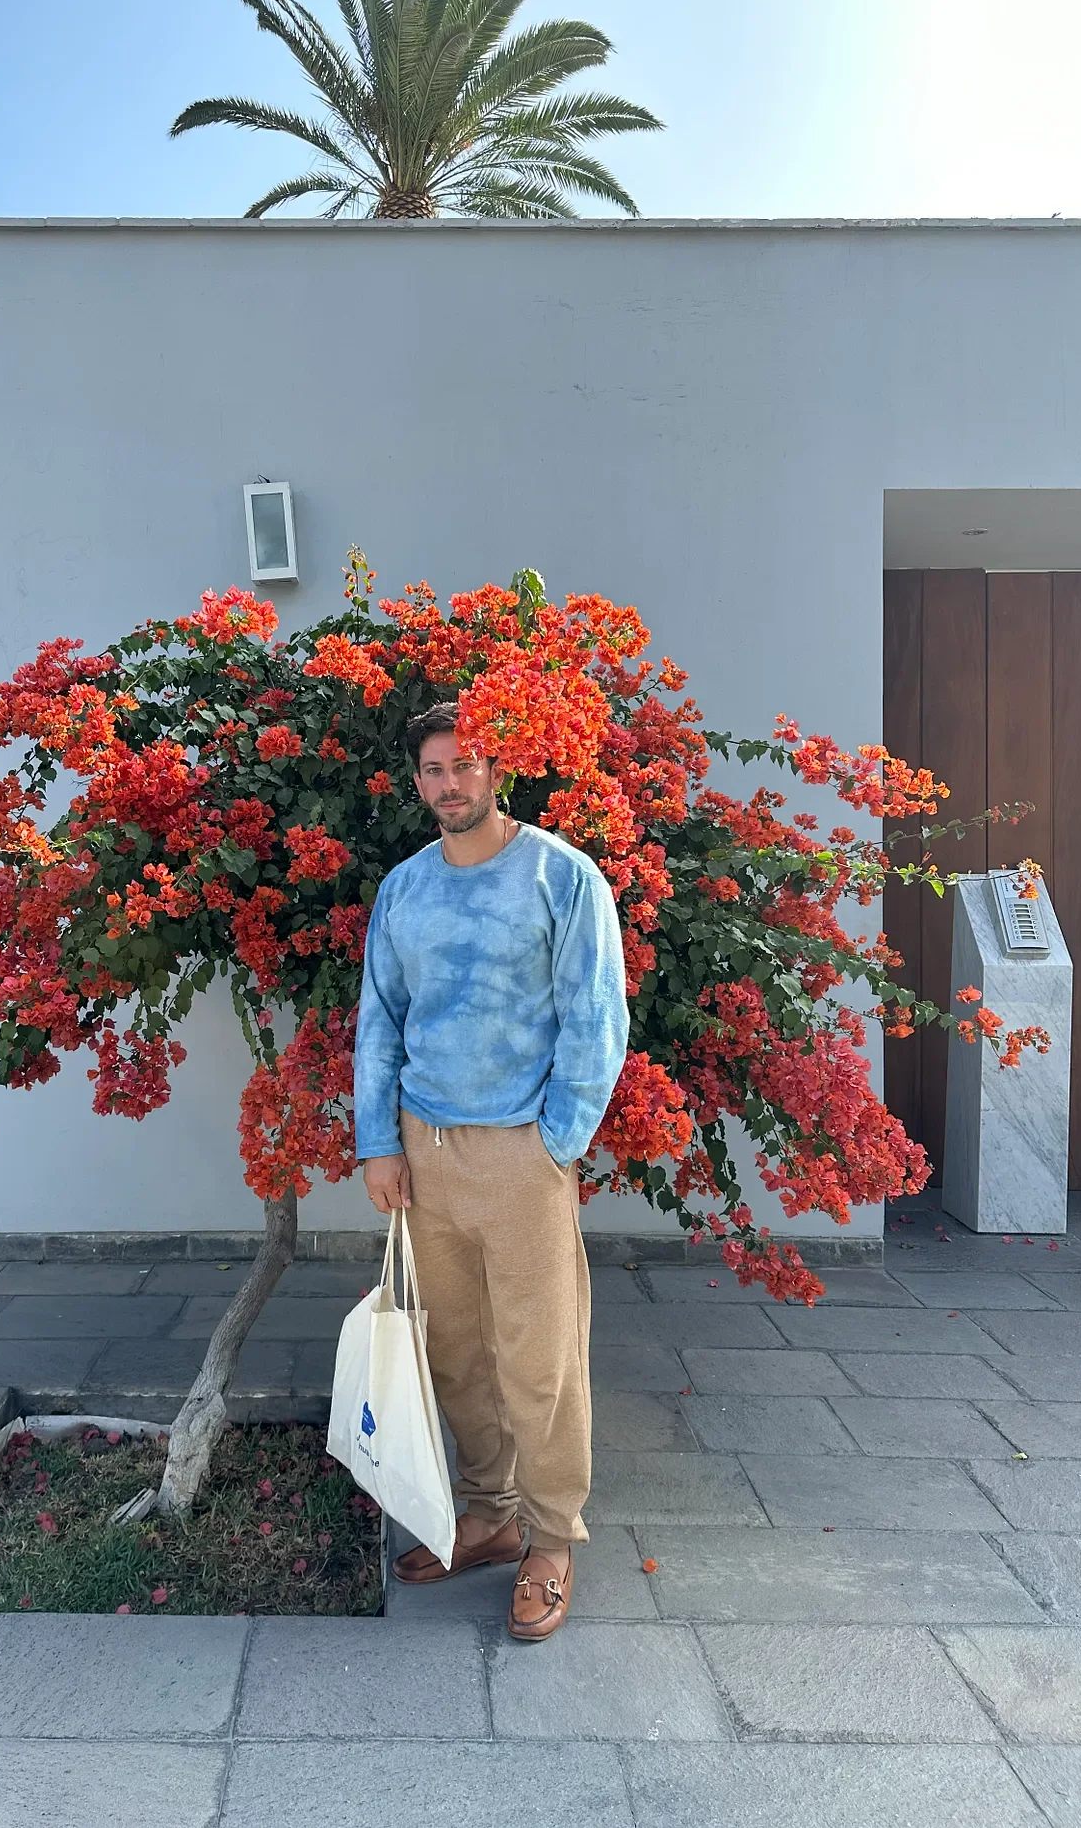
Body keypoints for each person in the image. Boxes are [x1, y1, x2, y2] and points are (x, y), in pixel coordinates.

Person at [354, 701, 629, 1641]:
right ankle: (489, 1515)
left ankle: (551, 1537)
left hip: (521, 1155)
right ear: (419, 782)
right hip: (424, 1156)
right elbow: (380, 1019)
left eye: (464, 764)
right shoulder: (406, 889)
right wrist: (377, 1141)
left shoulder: (563, 877)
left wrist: (556, 1140)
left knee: (539, 1357)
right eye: (433, 769)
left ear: (495, 768)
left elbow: (597, 1021)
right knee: (458, 1353)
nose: (449, 783)